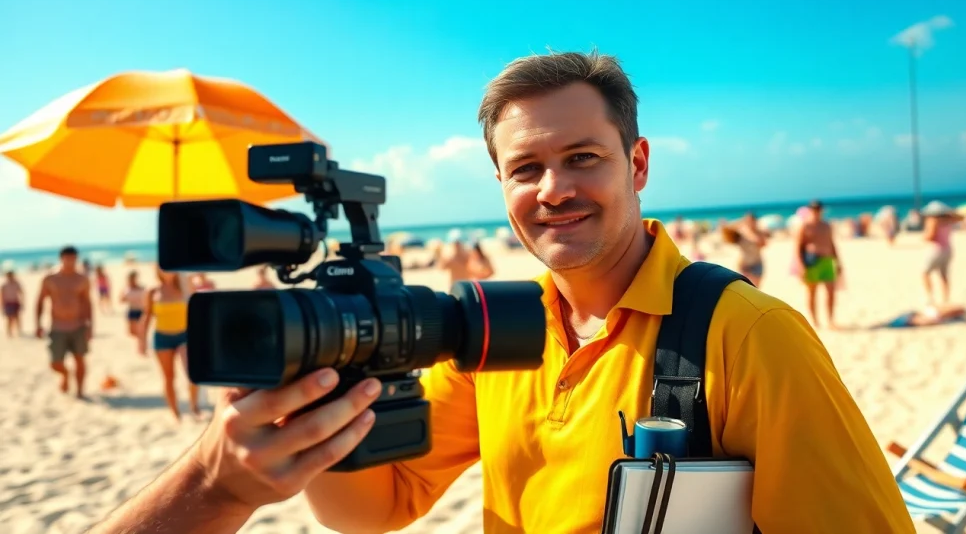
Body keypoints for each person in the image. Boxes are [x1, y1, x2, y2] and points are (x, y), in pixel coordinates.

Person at [85, 52, 914, 534]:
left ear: (639, 164)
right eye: (525, 168)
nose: (553, 188)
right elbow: (376, 505)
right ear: (500, 185)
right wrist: (322, 411)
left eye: (582, 156)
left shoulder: (746, 333)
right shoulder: (495, 327)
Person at [141, 267, 199, 422]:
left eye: (170, 268)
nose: (167, 271)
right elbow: (147, 315)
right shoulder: (152, 291)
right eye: (163, 268)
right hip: (162, 337)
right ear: (157, 270)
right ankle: (175, 413)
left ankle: (194, 407)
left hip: (184, 336)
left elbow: (197, 309)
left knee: (193, 375)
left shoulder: (185, 286)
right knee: (168, 377)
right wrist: (141, 340)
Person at [36, 246, 92, 397]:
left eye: (73, 258)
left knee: (80, 359)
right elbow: (40, 301)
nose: (70, 262)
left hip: (78, 325)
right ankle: (65, 375)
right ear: (61, 258)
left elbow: (87, 302)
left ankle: (80, 390)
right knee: (55, 363)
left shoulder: (82, 279)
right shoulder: (50, 278)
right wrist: (38, 324)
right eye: (67, 258)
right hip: (57, 326)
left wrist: (90, 326)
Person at [795, 199, 843, 329]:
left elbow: (832, 244)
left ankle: (831, 320)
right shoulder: (805, 226)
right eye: (814, 209)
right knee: (812, 293)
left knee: (831, 292)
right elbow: (798, 247)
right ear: (810, 210)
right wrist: (801, 266)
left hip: (827, 261)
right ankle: (815, 321)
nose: (817, 212)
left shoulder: (826, 225)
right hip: (812, 262)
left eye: (819, 209)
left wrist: (838, 262)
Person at [921, 201, 962, 306]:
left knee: (925, 273)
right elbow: (961, 217)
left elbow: (930, 236)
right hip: (948, 249)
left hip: (936, 250)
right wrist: (950, 212)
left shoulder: (933, 220)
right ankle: (946, 299)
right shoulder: (948, 220)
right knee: (944, 275)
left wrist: (924, 237)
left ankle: (930, 297)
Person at [734, 212, 768, 286]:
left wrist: (749, 233)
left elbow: (763, 244)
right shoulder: (740, 233)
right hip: (744, 264)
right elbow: (726, 229)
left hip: (757, 263)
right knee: (744, 288)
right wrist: (740, 224)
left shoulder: (759, 232)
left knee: (755, 288)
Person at [120, 270, 148, 355]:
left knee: (141, 331)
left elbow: (147, 300)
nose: (132, 280)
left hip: (141, 311)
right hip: (131, 311)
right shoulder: (126, 289)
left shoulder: (142, 288)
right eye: (130, 279)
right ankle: (141, 340)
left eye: (133, 278)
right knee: (131, 332)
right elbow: (121, 300)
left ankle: (142, 348)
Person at [2, 270, 24, 338]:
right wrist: (2, 306)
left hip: (15, 302)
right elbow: (2, 296)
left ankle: (19, 331)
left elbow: (21, 293)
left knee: (17, 317)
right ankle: (9, 333)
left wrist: (22, 302)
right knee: (9, 319)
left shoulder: (17, 283)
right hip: (8, 303)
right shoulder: (4, 285)